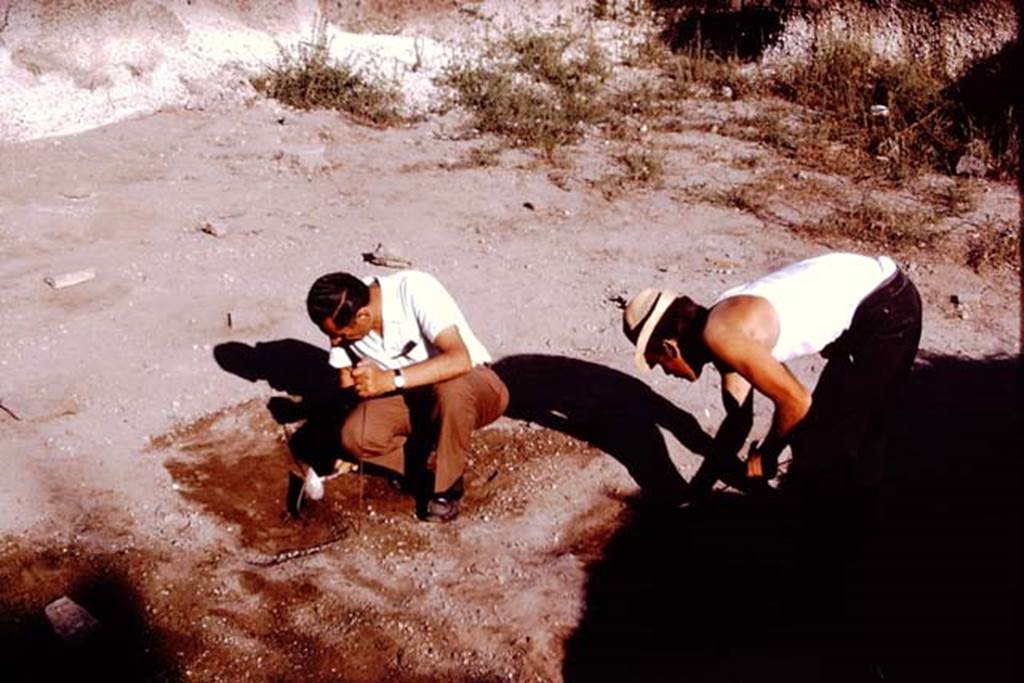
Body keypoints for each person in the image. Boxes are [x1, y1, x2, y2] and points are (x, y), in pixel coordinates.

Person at [622, 251, 922, 499]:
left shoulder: (721, 335)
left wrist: (766, 455)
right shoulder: (720, 323)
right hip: (875, 301)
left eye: (657, 362)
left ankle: (836, 543)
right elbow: (738, 423)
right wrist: (697, 491)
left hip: (886, 310)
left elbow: (796, 402)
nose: (664, 372)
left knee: (827, 449)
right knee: (826, 432)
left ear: (669, 347)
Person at [305, 269, 509, 522]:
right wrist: (349, 450)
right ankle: (429, 460)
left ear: (363, 315)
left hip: (474, 388)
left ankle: (446, 487)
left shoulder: (415, 289)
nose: (335, 342)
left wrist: (389, 379)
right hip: (412, 398)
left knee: (449, 388)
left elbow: (459, 359)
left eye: (339, 335)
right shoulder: (343, 312)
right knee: (355, 436)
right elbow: (347, 383)